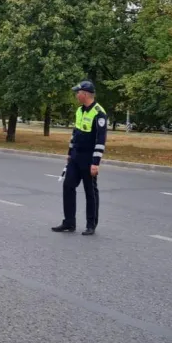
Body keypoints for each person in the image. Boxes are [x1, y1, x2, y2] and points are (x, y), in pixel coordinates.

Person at [52, 80, 108, 236]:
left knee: (90, 191)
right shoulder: (79, 110)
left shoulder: (99, 112)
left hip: (89, 158)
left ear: (85, 94)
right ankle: (69, 222)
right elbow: (75, 133)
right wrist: (70, 153)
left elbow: (100, 139)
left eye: (78, 92)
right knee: (68, 186)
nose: (76, 95)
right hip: (76, 156)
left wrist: (95, 163)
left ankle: (91, 225)